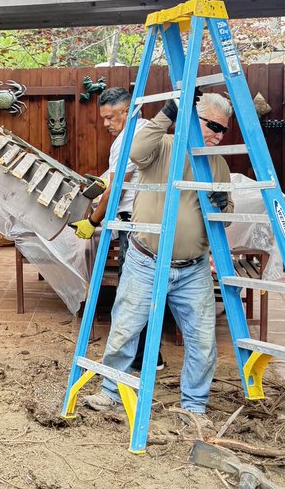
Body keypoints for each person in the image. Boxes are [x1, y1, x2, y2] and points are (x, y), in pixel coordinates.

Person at [83, 92, 234, 428]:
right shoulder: (162, 147)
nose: (219, 135)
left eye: (223, 130)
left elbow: (224, 222)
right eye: (213, 126)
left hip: (192, 269)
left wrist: (223, 206)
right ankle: (110, 392)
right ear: (194, 119)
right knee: (125, 328)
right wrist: (170, 110)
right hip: (146, 259)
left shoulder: (218, 165)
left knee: (202, 340)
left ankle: (194, 405)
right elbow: (134, 152)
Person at [70, 87, 167, 371]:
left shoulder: (127, 139)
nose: (105, 124)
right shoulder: (149, 131)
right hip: (153, 221)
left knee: (133, 293)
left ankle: (138, 360)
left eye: (110, 117)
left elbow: (117, 188)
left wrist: (92, 221)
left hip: (134, 225)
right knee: (148, 290)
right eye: (103, 118)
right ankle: (150, 356)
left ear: (127, 112)